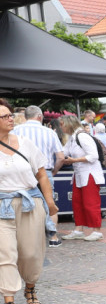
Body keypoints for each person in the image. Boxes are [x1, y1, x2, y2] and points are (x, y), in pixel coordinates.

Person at [0, 102, 58, 304]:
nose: (11, 119)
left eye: (10, 115)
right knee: (5, 253)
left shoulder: (25, 143)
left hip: (29, 203)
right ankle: (9, 300)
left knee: (31, 253)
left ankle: (30, 286)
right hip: (1, 205)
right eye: (4, 116)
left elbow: (41, 174)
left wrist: (49, 202)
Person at [12, 105, 63, 245]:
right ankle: (53, 238)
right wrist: (53, 172)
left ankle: (24, 238)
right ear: (40, 116)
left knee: (22, 202)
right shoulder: (49, 132)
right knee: (50, 203)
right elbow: (60, 157)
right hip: (45, 172)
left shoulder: (15, 131)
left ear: (25, 116)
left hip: (21, 172)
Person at [56, 116, 105, 241]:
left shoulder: (82, 136)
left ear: (68, 124)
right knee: (77, 203)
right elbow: (63, 153)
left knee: (91, 203)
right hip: (80, 175)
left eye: (62, 124)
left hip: (89, 174)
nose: (61, 127)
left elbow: (93, 156)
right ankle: (79, 229)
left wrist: (74, 160)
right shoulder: (73, 138)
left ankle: (97, 230)